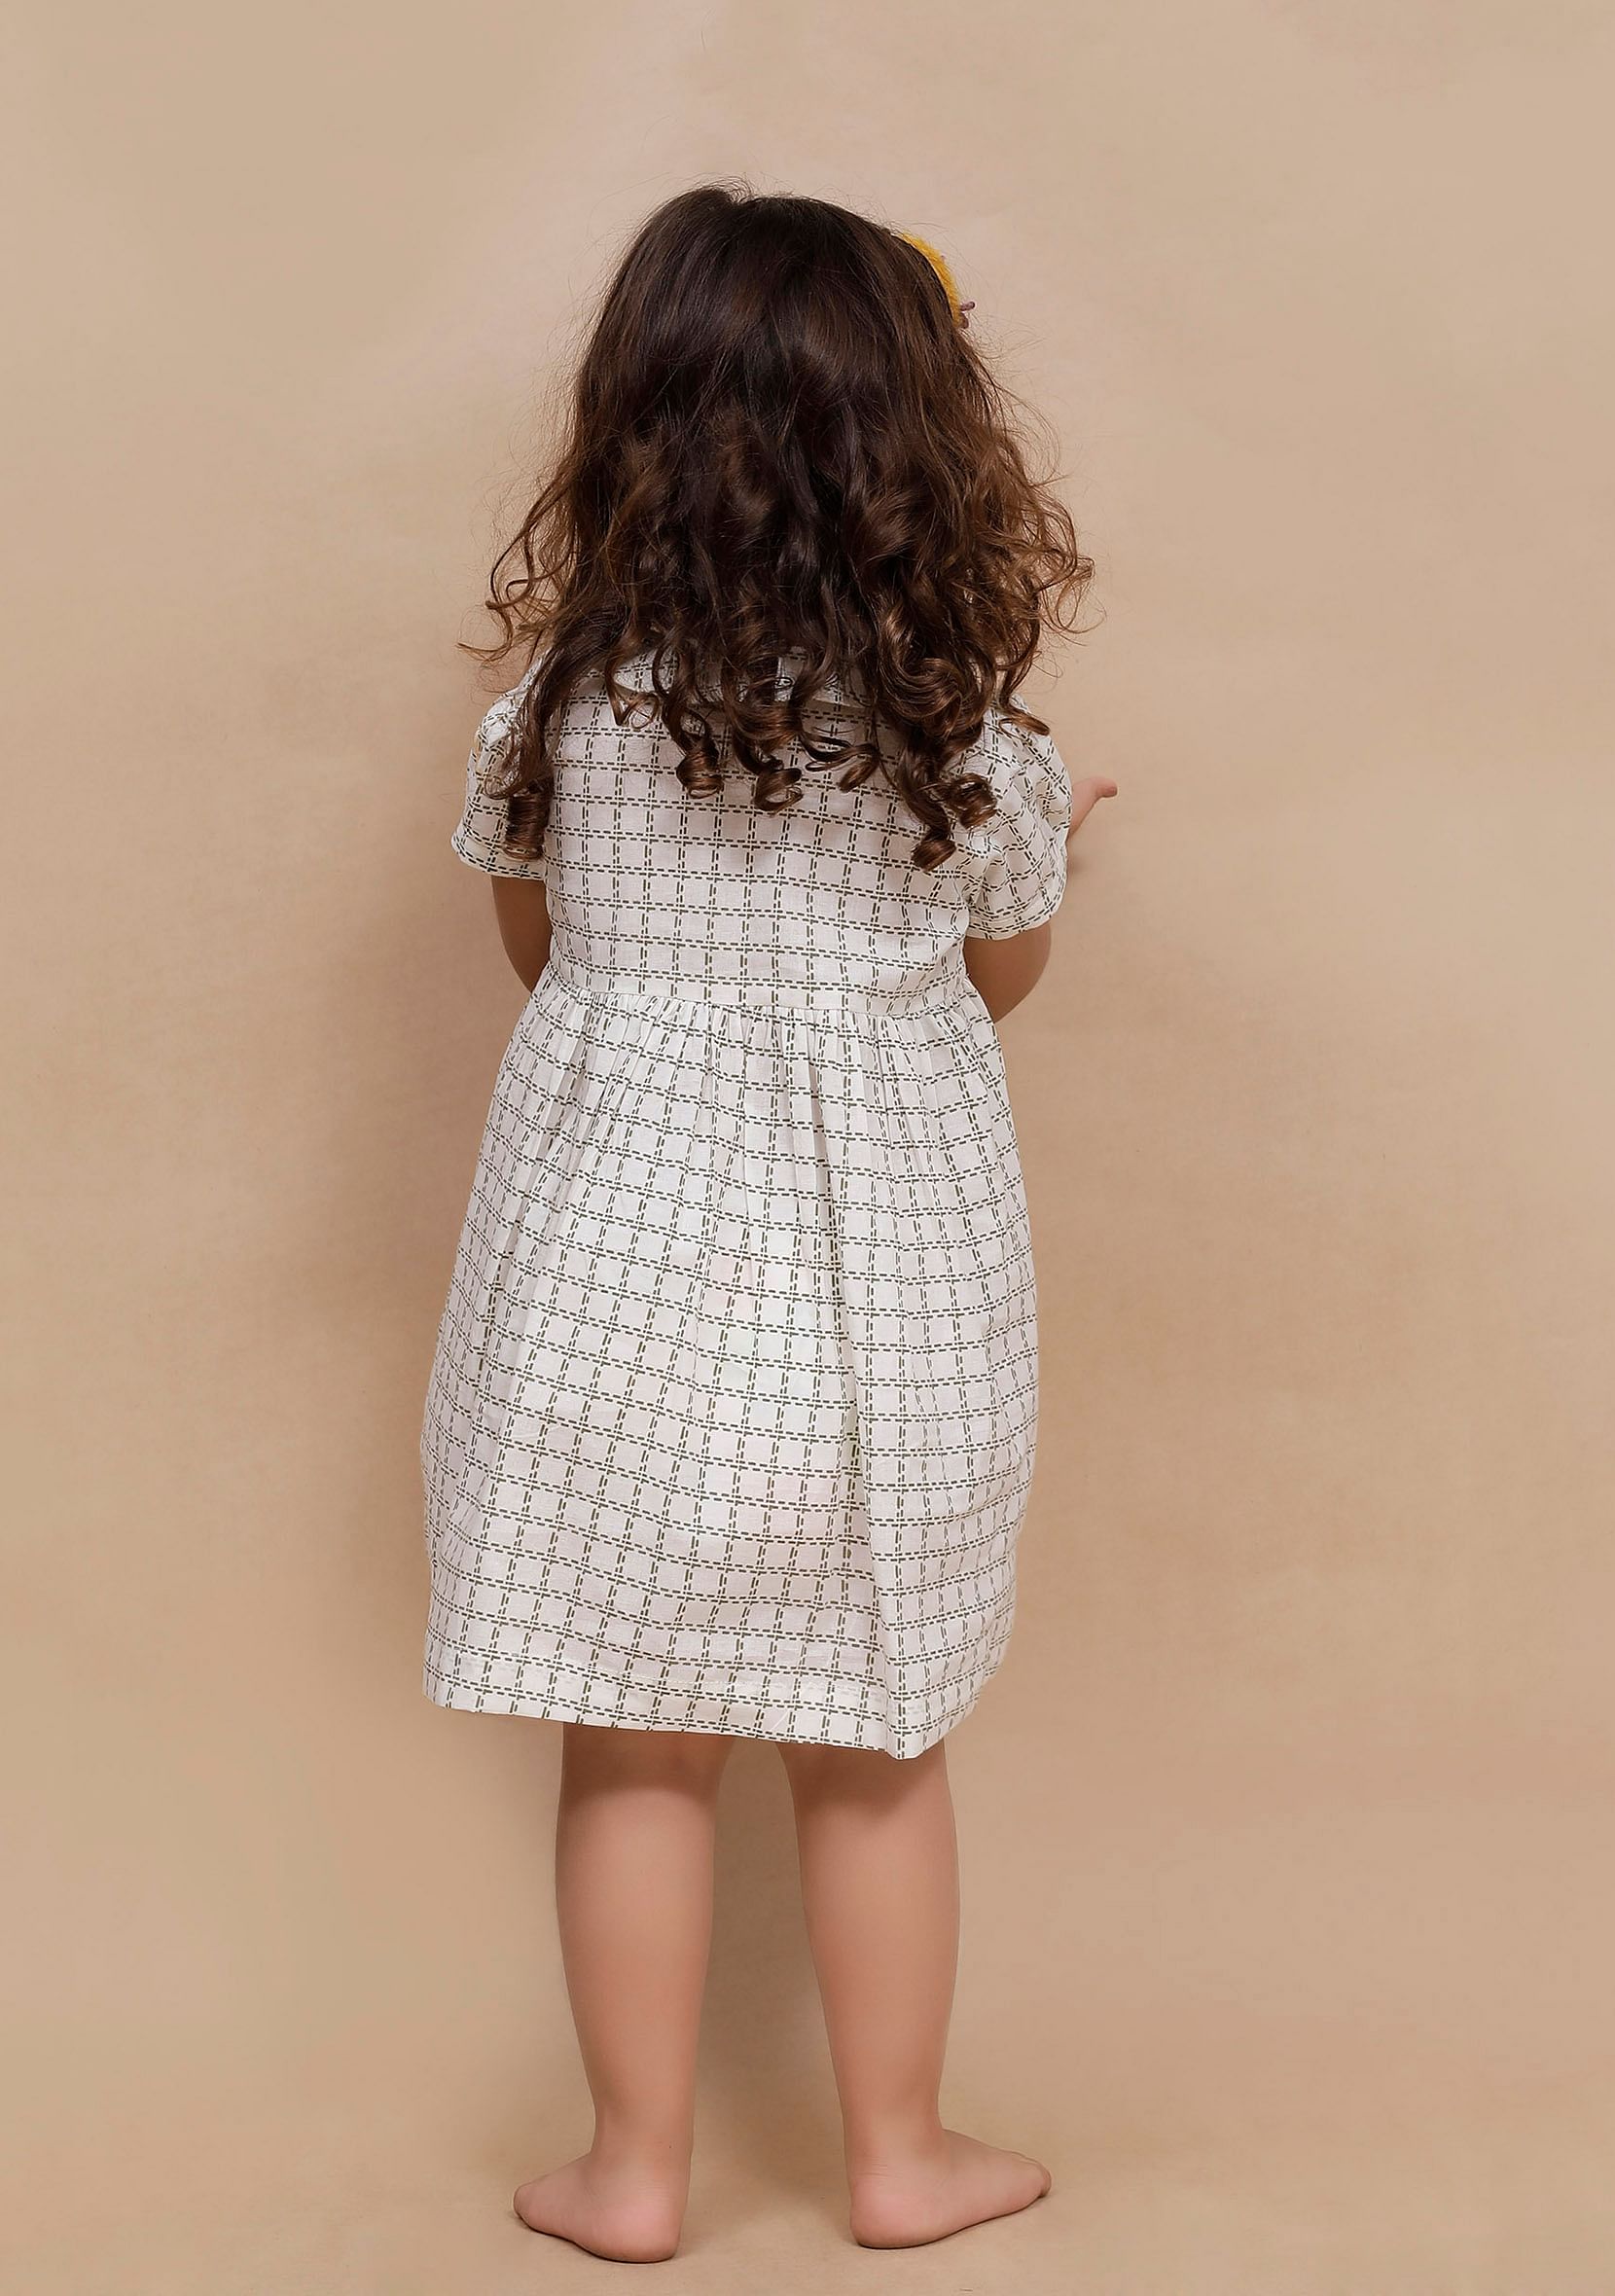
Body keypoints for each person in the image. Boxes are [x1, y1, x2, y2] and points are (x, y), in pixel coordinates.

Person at [418, 183, 1117, 2263]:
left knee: (634, 1745)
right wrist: (1045, 838)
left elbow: (542, 958)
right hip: (878, 1306)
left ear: (634, 429)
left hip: (607, 1301)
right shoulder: (960, 741)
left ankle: (632, 2173)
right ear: (919, 446)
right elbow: (991, 984)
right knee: (874, 1749)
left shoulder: (557, 715)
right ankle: (896, 2156)